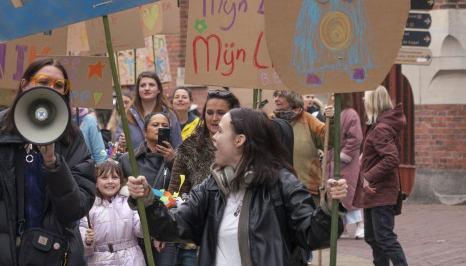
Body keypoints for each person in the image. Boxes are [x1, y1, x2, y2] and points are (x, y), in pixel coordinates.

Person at [128, 108, 348, 265]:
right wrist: (148, 200)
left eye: (221, 131)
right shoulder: (212, 187)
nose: (213, 138)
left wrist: (329, 207)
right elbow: (173, 227)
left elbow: (312, 235)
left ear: (239, 140)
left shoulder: (282, 183)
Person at [0, 57, 96, 265]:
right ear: (25, 84)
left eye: (59, 85)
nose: (52, 89)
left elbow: (76, 209)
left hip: (53, 255)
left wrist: (53, 164)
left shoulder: (71, 139)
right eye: (43, 82)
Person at [167, 89, 240, 266]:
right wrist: (167, 227)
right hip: (196, 237)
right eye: (209, 112)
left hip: (233, 234)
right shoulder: (189, 147)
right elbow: (175, 191)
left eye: (221, 113)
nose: (214, 118)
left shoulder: (243, 146)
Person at [353, 85, 407, 266]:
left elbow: (392, 158)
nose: (364, 103)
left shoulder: (381, 128)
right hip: (374, 193)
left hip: (380, 192)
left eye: (366, 99)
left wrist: (368, 176)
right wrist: (364, 156)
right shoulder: (377, 126)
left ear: (373, 102)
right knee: (373, 238)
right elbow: (380, 153)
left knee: (384, 238)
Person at [119, 112, 177, 266]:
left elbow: (182, 191)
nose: (160, 128)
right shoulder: (128, 159)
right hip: (136, 231)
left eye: (164, 126)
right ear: (144, 131)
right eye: (155, 125)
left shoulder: (177, 160)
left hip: (165, 231)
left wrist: (172, 162)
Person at [80, 161, 145, 265]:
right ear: (96, 182)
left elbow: (141, 232)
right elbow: (86, 251)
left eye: (114, 177)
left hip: (131, 260)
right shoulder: (90, 206)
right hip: (101, 261)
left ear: (120, 181)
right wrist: (87, 241)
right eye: (104, 178)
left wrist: (145, 218)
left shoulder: (130, 202)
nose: (110, 181)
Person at [271, 90, 329, 204]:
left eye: (281, 96)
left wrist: (331, 121)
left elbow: (328, 142)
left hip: (306, 187)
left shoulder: (308, 120)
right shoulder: (271, 120)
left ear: (293, 98)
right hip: (276, 187)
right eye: (275, 96)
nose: (276, 99)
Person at [325, 93, 364, 239]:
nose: (333, 98)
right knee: (338, 195)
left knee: (349, 195)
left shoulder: (351, 114)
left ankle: (360, 225)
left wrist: (343, 156)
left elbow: (356, 138)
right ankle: (343, 227)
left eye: (335, 95)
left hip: (346, 163)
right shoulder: (337, 113)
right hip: (334, 161)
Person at [115, 72, 182, 153]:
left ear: (159, 89)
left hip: (162, 164)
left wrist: (170, 158)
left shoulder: (169, 115)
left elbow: (178, 148)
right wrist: (121, 145)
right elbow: (116, 152)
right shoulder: (127, 115)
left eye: (151, 85)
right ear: (138, 90)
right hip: (134, 165)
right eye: (143, 85)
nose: (147, 88)